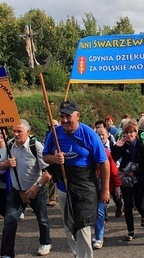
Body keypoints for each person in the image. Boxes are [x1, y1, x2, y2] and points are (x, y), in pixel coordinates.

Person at [43, 100, 110, 258]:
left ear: (78, 116)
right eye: (62, 116)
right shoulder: (54, 133)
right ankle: (77, 253)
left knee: (82, 225)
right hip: (63, 187)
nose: (65, 120)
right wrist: (54, 158)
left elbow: (104, 163)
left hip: (85, 186)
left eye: (68, 116)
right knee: (69, 226)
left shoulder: (89, 134)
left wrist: (105, 190)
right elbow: (45, 157)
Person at [0, 119, 52, 257]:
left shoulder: (36, 147)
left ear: (28, 132)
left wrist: (37, 187)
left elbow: (48, 172)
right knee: (9, 220)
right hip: (16, 191)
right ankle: (7, 253)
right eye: (14, 131)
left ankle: (45, 242)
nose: (15, 134)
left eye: (19, 131)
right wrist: (6, 164)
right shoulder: (9, 145)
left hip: (36, 189)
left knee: (42, 219)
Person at [111, 120, 144, 242]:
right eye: (127, 132)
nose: (129, 134)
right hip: (126, 180)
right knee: (128, 205)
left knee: (139, 204)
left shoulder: (142, 147)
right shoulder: (122, 146)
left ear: (136, 133)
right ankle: (130, 231)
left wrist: (135, 172)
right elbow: (113, 158)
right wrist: (116, 147)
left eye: (132, 132)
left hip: (140, 179)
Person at [93, 127, 122, 249]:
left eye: (102, 135)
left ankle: (99, 237)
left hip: (103, 185)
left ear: (107, 136)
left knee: (100, 211)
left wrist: (117, 186)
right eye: (98, 135)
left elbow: (114, 171)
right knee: (93, 212)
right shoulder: (89, 151)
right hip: (90, 185)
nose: (100, 137)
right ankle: (98, 232)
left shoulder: (106, 152)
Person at [46, 119, 60, 207]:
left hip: (60, 159)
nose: (53, 128)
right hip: (51, 159)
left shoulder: (61, 134)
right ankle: (52, 198)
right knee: (52, 180)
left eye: (55, 126)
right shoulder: (48, 135)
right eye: (52, 126)